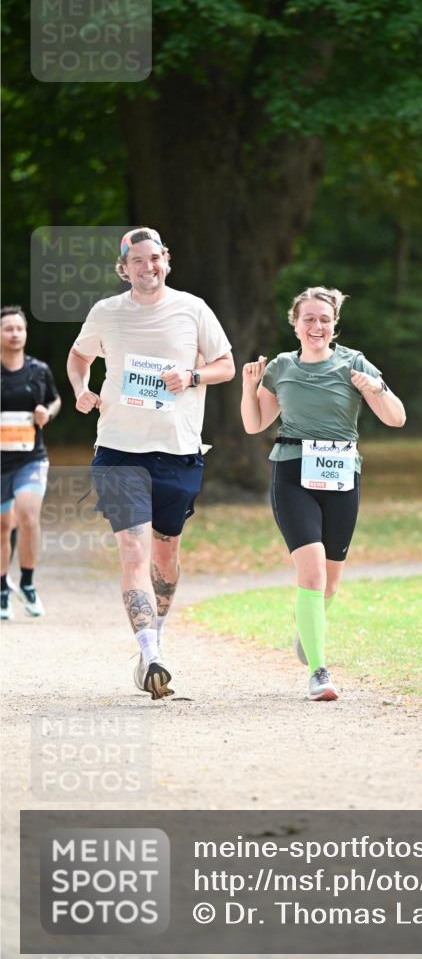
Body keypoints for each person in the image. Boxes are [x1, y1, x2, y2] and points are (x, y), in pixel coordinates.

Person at [67, 227, 234, 699]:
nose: (147, 267)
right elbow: (79, 357)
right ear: (125, 268)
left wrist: (192, 374)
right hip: (119, 449)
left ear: (167, 259)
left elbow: (225, 362)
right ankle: (150, 652)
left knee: (165, 555)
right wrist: (81, 389)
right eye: (137, 260)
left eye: (154, 258)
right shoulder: (106, 313)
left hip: (179, 451)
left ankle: (152, 644)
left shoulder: (193, 309)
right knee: (134, 551)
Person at [241, 286, 406, 701]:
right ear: (294, 324)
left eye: (325, 319)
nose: (317, 326)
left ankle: (308, 630)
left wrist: (374, 388)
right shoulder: (281, 367)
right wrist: (249, 386)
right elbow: (255, 423)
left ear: (335, 325)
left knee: (330, 583)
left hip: (341, 475)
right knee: (311, 571)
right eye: (309, 319)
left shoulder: (354, 363)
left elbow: (396, 418)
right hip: (293, 470)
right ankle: (319, 670)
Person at [1, 306, 61, 620]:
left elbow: (55, 399)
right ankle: (1, 589)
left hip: (30, 458)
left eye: (19, 329)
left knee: (27, 514)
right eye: (8, 328)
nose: (14, 334)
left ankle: (27, 582)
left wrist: (46, 413)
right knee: (2, 526)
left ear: (25, 334)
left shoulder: (39, 370)